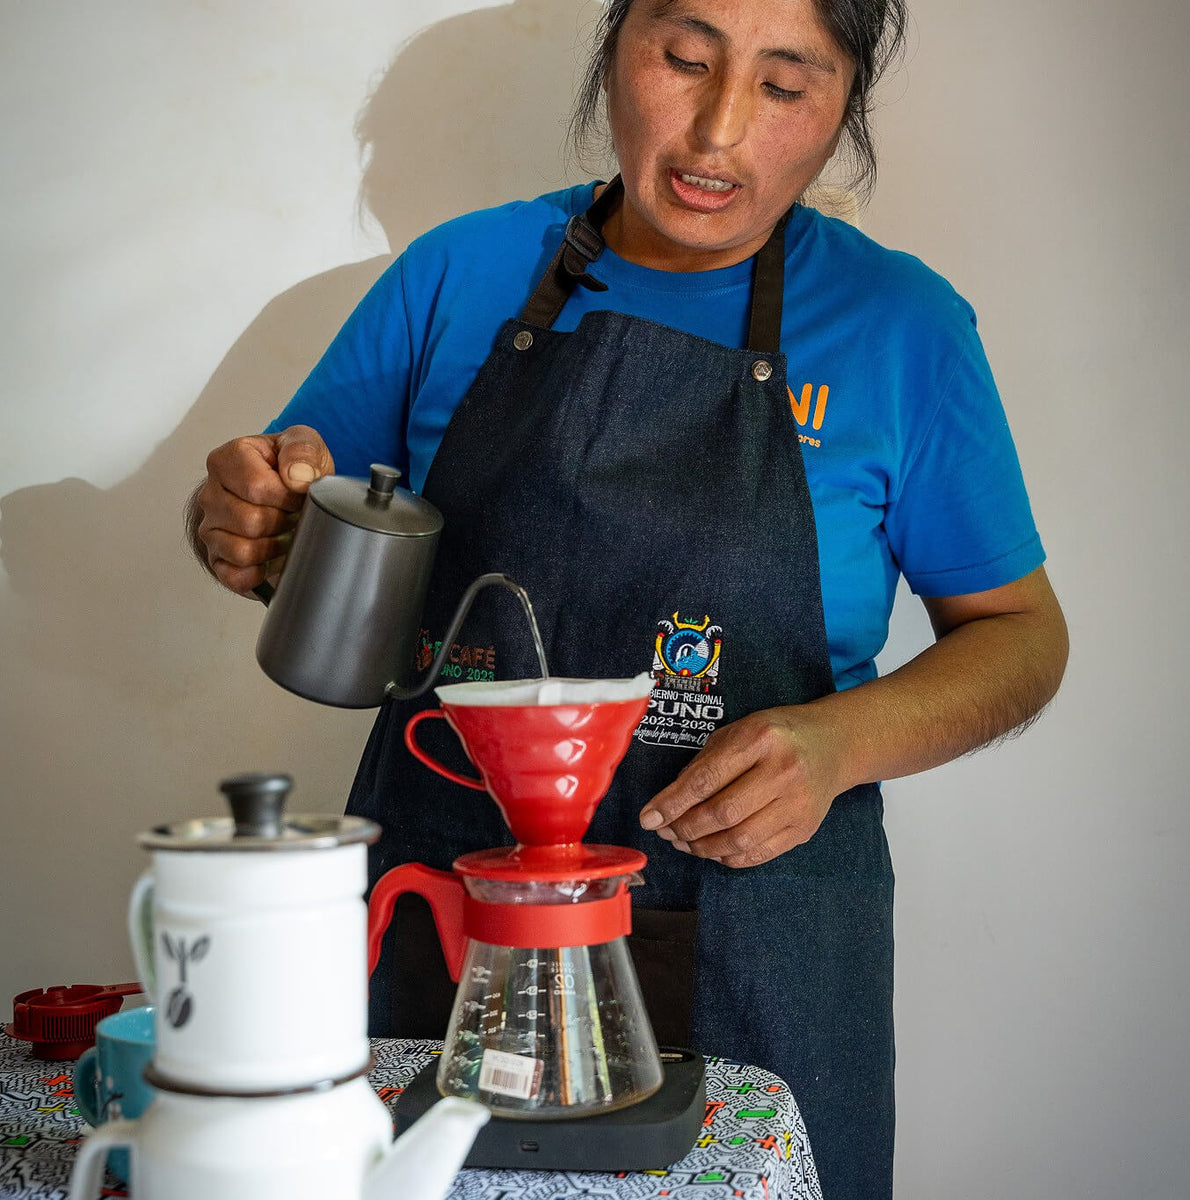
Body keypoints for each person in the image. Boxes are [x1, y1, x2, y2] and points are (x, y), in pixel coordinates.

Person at [187, 2, 1069, 1196]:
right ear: (615, 54)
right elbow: (295, 529)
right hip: (452, 922)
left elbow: (1019, 636)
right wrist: (240, 521)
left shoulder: (900, 328)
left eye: (783, 86)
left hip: (761, 943)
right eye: (686, 60)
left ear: (840, 112)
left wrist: (839, 743)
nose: (716, 132)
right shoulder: (461, 274)